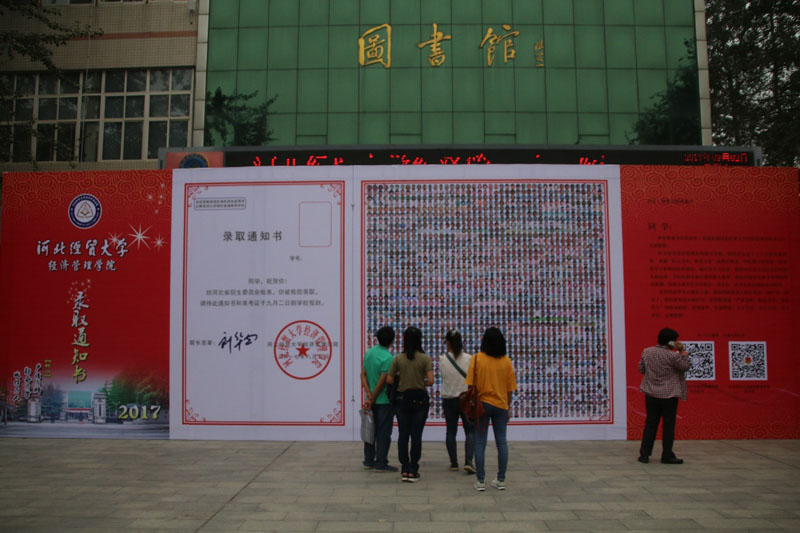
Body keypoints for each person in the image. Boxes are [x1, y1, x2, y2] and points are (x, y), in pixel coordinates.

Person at [466, 327, 517, 491]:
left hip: (481, 405)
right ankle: (501, 479)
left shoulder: (477, 359)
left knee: (480, 442)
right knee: (501, 442)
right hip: (501, 405)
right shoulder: (506, 361)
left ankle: (480, 481)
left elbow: (470, 386)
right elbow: (510, 389)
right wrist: (507, 407)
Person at [637, 327, 691, 465]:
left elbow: (641, 369)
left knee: (650, 424)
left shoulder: (647, 351)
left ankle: (644, 454)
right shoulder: (673, 355)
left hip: (651, 393)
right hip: (669, 394)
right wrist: (683, 353)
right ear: (671, 342)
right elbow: (685, 367)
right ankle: (667, 455)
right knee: (668, 426)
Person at [387, 326, 433, 482]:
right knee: (416, 435)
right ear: (420, 339)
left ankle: (404, 468)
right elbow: (431, 380)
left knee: (403, 434)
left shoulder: (398, 358)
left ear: (404, 339)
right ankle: (413, 469)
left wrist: (403, 380)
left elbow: (389, 380)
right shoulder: (425, 358)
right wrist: (420, 383)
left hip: (402, 399)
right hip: (420, 399)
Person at [361, 326, 398, 472]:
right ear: (392, 340)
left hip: (369, 399)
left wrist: (368, 395)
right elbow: (383, 381)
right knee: (383, 433)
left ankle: (368, 461)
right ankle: (381, 462)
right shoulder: (388, 358)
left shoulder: (369, 353)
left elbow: (363, 375)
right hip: (383, 401)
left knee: (370, 431)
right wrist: (373, 397)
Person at [440, 330, 475, 474]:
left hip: (449, 399)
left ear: (447, 342)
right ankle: (469, 461)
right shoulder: (469, 358)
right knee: (470, 431)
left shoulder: (443, 359)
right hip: (465, 399)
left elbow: (444, 376)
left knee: (451, 431)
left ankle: (454, 463)